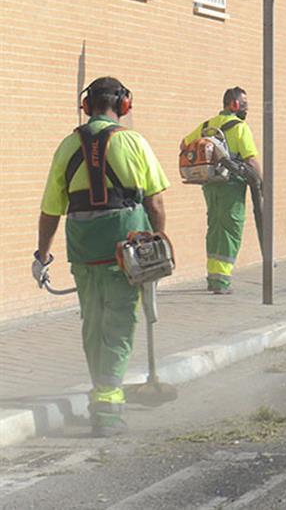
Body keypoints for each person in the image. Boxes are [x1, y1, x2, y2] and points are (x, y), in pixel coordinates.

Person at [34, 77, 169, 436]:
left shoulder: (67, 146)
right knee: (119, 324)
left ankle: (100, 389)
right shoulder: (134, 141)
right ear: (124, 106)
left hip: (82, 252)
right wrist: (160, 240)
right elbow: (155, 202)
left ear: (86, 106)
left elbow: (51, 210)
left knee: (93, 323)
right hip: (126, 251)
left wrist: (41, 255)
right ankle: (107, 404)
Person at [182, 87, 261, 294]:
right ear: (234, 104)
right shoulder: (239, 127)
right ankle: (222, 282)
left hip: (210, 184)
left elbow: (184, 143)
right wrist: (262, 182)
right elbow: (251, 159)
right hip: (231, 186)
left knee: (215, 229)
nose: (246, 107)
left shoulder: (207, 125)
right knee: (230, 231)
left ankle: (212, 277)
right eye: (244, 103)